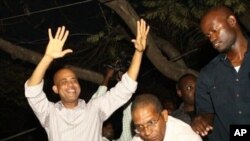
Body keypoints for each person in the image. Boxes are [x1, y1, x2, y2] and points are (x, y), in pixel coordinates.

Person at [24, 19, 150, 141]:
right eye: (64, 81)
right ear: (55, 89)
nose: (71, 84)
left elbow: (126, 88)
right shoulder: (49, 114)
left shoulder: (95, 109)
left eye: (74, 80)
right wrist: (47, 57)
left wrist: (139, 52)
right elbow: (32, 91)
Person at [191, 5, 250, 141]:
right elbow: (206, 113)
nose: (212, 38)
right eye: (208, 35)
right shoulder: (208, 74)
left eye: (215, 30)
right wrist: (201, 121)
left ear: (232, 21)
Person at [131, 94, 202, 141]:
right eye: (140, 126)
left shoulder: (187, 138)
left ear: (164, 115)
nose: (147, 132)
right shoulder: (138, 138)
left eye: (151, 122)